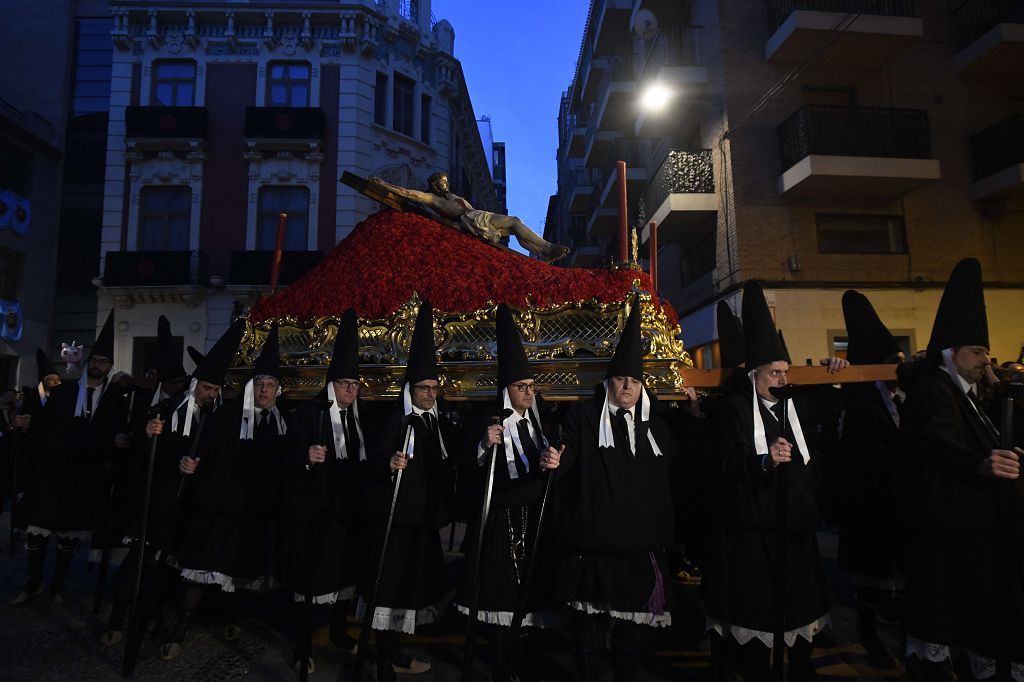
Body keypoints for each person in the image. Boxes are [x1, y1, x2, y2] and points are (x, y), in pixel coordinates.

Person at [703, 282, 848, 682]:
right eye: (774, 373)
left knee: (801, 614)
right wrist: (764, 462)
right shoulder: (733, 410)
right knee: (755, 620)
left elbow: (832, 405)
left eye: (785, 372)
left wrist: (834, 374)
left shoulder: (795, 404)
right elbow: (729, 459)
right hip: (752, 534)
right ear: (754, 375)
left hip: (796, 532)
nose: (782, 380)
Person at [552, 300, 697, 682]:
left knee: (631, 638)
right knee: (589, 634)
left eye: (634, 380)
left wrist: (697, 420)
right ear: (609, 383)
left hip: (639, 550)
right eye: (620, 379)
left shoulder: (659, 428)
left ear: (642, 385)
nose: (628, 385)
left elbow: (686, 470)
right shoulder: (583, 419)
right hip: (594, 548)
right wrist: (554, 460)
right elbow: (567, 453)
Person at [897, 258, 1023, 680]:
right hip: (944, 528)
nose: (985, 359)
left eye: (985, 351)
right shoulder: (935, 390)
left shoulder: (967, 392)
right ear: (952, 351)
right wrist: (981, 464)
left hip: (968, 525)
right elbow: (936, 442)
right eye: (977, 351)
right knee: (945, 616)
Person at [101, 318, 244, 647]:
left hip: (190, 506)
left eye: (217, 390)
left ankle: (152, 615)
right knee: (138, 562)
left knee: (168, 570)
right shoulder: (165, 409)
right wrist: (147, 436)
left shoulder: (218, 420)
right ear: (195, 384)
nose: (211, 394)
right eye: (207, 388)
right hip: (156, 502)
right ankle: (118, 616)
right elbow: (136, 448)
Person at [162, 322, 290, 660]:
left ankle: (229, 617)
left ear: (278, 390)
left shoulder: (282, 423)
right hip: (217, 506)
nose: (264, 390)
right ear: (252, 387)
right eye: (260, 384)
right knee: (201, 573)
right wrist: (193, 461)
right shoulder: (228, 415)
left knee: (237, 572)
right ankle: (182, 626)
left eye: (271, 385)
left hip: (251, 512)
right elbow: (204, 443)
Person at [454, 304, 564, 681]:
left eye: (532, 387)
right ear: (507, 390)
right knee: (498, 597)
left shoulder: (541, 423)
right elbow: (467, 472)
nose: (529, 393)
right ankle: (500, 663)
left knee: (530, 595)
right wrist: (484, 447)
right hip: (500, 522)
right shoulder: (485, 423)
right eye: (522, 387)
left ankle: (522, 660)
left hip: (534, 517)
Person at [362, 300, 458, 680]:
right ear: (411, 389)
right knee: (389, 593)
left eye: (435, 388)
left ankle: (397, 652)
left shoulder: (440, 423)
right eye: (424, 388)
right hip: (395, 525)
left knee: (412, 595)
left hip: (424, 524)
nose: (430, 394)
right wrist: (390, 464)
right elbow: (375, 459)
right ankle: (383, 660)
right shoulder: (394, 421)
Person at [276, 309, 372, 673]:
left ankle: (337, 631)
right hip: (313, 512)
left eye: (355, 384)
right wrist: (306, 457)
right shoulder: (308, 414)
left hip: (346, 512)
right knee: (311, 580)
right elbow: (284, 457)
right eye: (345, 384)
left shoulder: (359, 419)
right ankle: (302, 645)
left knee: (345, 578)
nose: (351, 390)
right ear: (331, 385)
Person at [11, 309, 128, 605]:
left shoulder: (115, 401)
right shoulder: (64, 392)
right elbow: (42, 420)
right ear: (88, 363)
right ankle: (34, 580)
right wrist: (28, 425)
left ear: (110, 366)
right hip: (52, 471)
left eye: (105, 362)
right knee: (38, 531)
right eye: (96, 361)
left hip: (85, 476)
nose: (100, 365)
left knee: (69, 535)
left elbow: (117, 433)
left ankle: (59, 584)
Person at [835, 290, 905, 669]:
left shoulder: (899, 399)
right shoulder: (862, 402)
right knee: (871, 580)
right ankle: (868, 633)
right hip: (870, 500)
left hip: (898, 500)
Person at [370, 172, 570, 263]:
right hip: (472, 221)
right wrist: (385, 185)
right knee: (515, 222)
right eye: (441, 182)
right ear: (434, 185)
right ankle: (547, 248)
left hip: (478, 217)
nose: (445, 185)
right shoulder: (432, 198)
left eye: (446, 181)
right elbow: (407, 193)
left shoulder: (452, 196)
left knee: (515, 228)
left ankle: (543, 253)